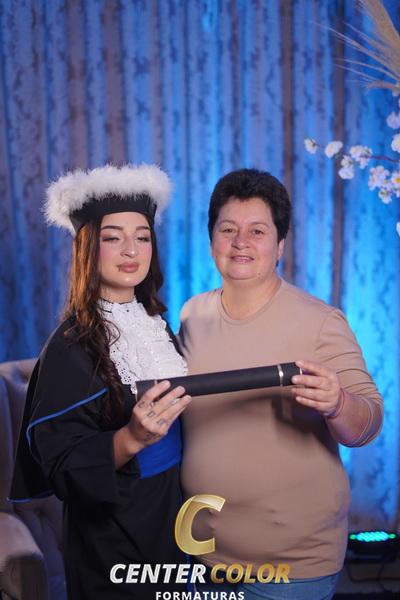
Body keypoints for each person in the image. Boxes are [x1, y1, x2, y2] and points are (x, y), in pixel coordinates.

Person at [178, 168, 383, 600]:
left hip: (292, 568)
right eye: (228, 229)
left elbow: (367, 425)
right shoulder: (192, 315)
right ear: (212, 240)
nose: (241, 242)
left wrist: (338, 403)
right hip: (204, 554)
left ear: (280, 245)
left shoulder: (321, 322)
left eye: (257, 231)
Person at [9, 164, 192, 599]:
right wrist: (131, 438)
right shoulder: (69, 345)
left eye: (142, 237)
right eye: (113, 237)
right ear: (88, 247)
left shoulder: (158, 325)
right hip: (113, 531)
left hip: (172, 513)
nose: (131, 250)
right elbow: (60, 466)